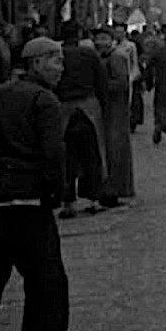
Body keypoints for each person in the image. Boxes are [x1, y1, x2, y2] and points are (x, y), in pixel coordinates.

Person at [0, 37, 69, 331]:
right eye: (55, 61)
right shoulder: (44, 101)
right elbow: (54, 153)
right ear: (36, 64)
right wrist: (55, 192)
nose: (61, 68)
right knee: (44, 271)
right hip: (29, 200)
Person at [56, 22, 108, 219]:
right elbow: (101, 82)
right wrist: (103, 107)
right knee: (92, 155)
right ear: (79, 35)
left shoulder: (57, 55)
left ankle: (67, 202)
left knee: (66, 157)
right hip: (88, 108)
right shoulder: (89, 54)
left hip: (64, 110)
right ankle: (94, 200)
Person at [93, 27, 135, 206]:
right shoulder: (99, 57)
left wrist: (100, 85)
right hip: (106, 109)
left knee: (116, 149)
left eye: (104, 38)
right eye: (98, 38)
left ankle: (117, 189)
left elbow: (122, 83)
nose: (100, 42)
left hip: (116, 110)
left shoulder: (117, 57)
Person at [113, 24, 143, 133]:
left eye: (121, 32)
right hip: (116, 78)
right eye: (117, 32)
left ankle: (130, 122)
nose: (118, 34)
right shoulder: (112, 46)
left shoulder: (131, 46)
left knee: (130, 102)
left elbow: (134, 63)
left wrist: (133, 76)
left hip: (129, 77)